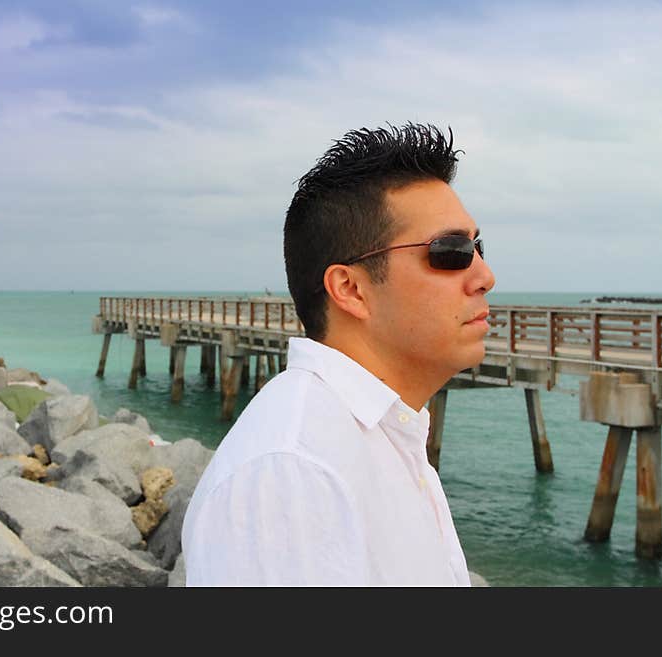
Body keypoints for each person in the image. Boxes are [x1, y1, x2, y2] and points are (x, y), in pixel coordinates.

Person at [181, 123, 496, 586]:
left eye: (478, 247)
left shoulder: (381, 438)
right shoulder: (293, 473)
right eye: (451, 251)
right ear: (350, 289)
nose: (485, 275)